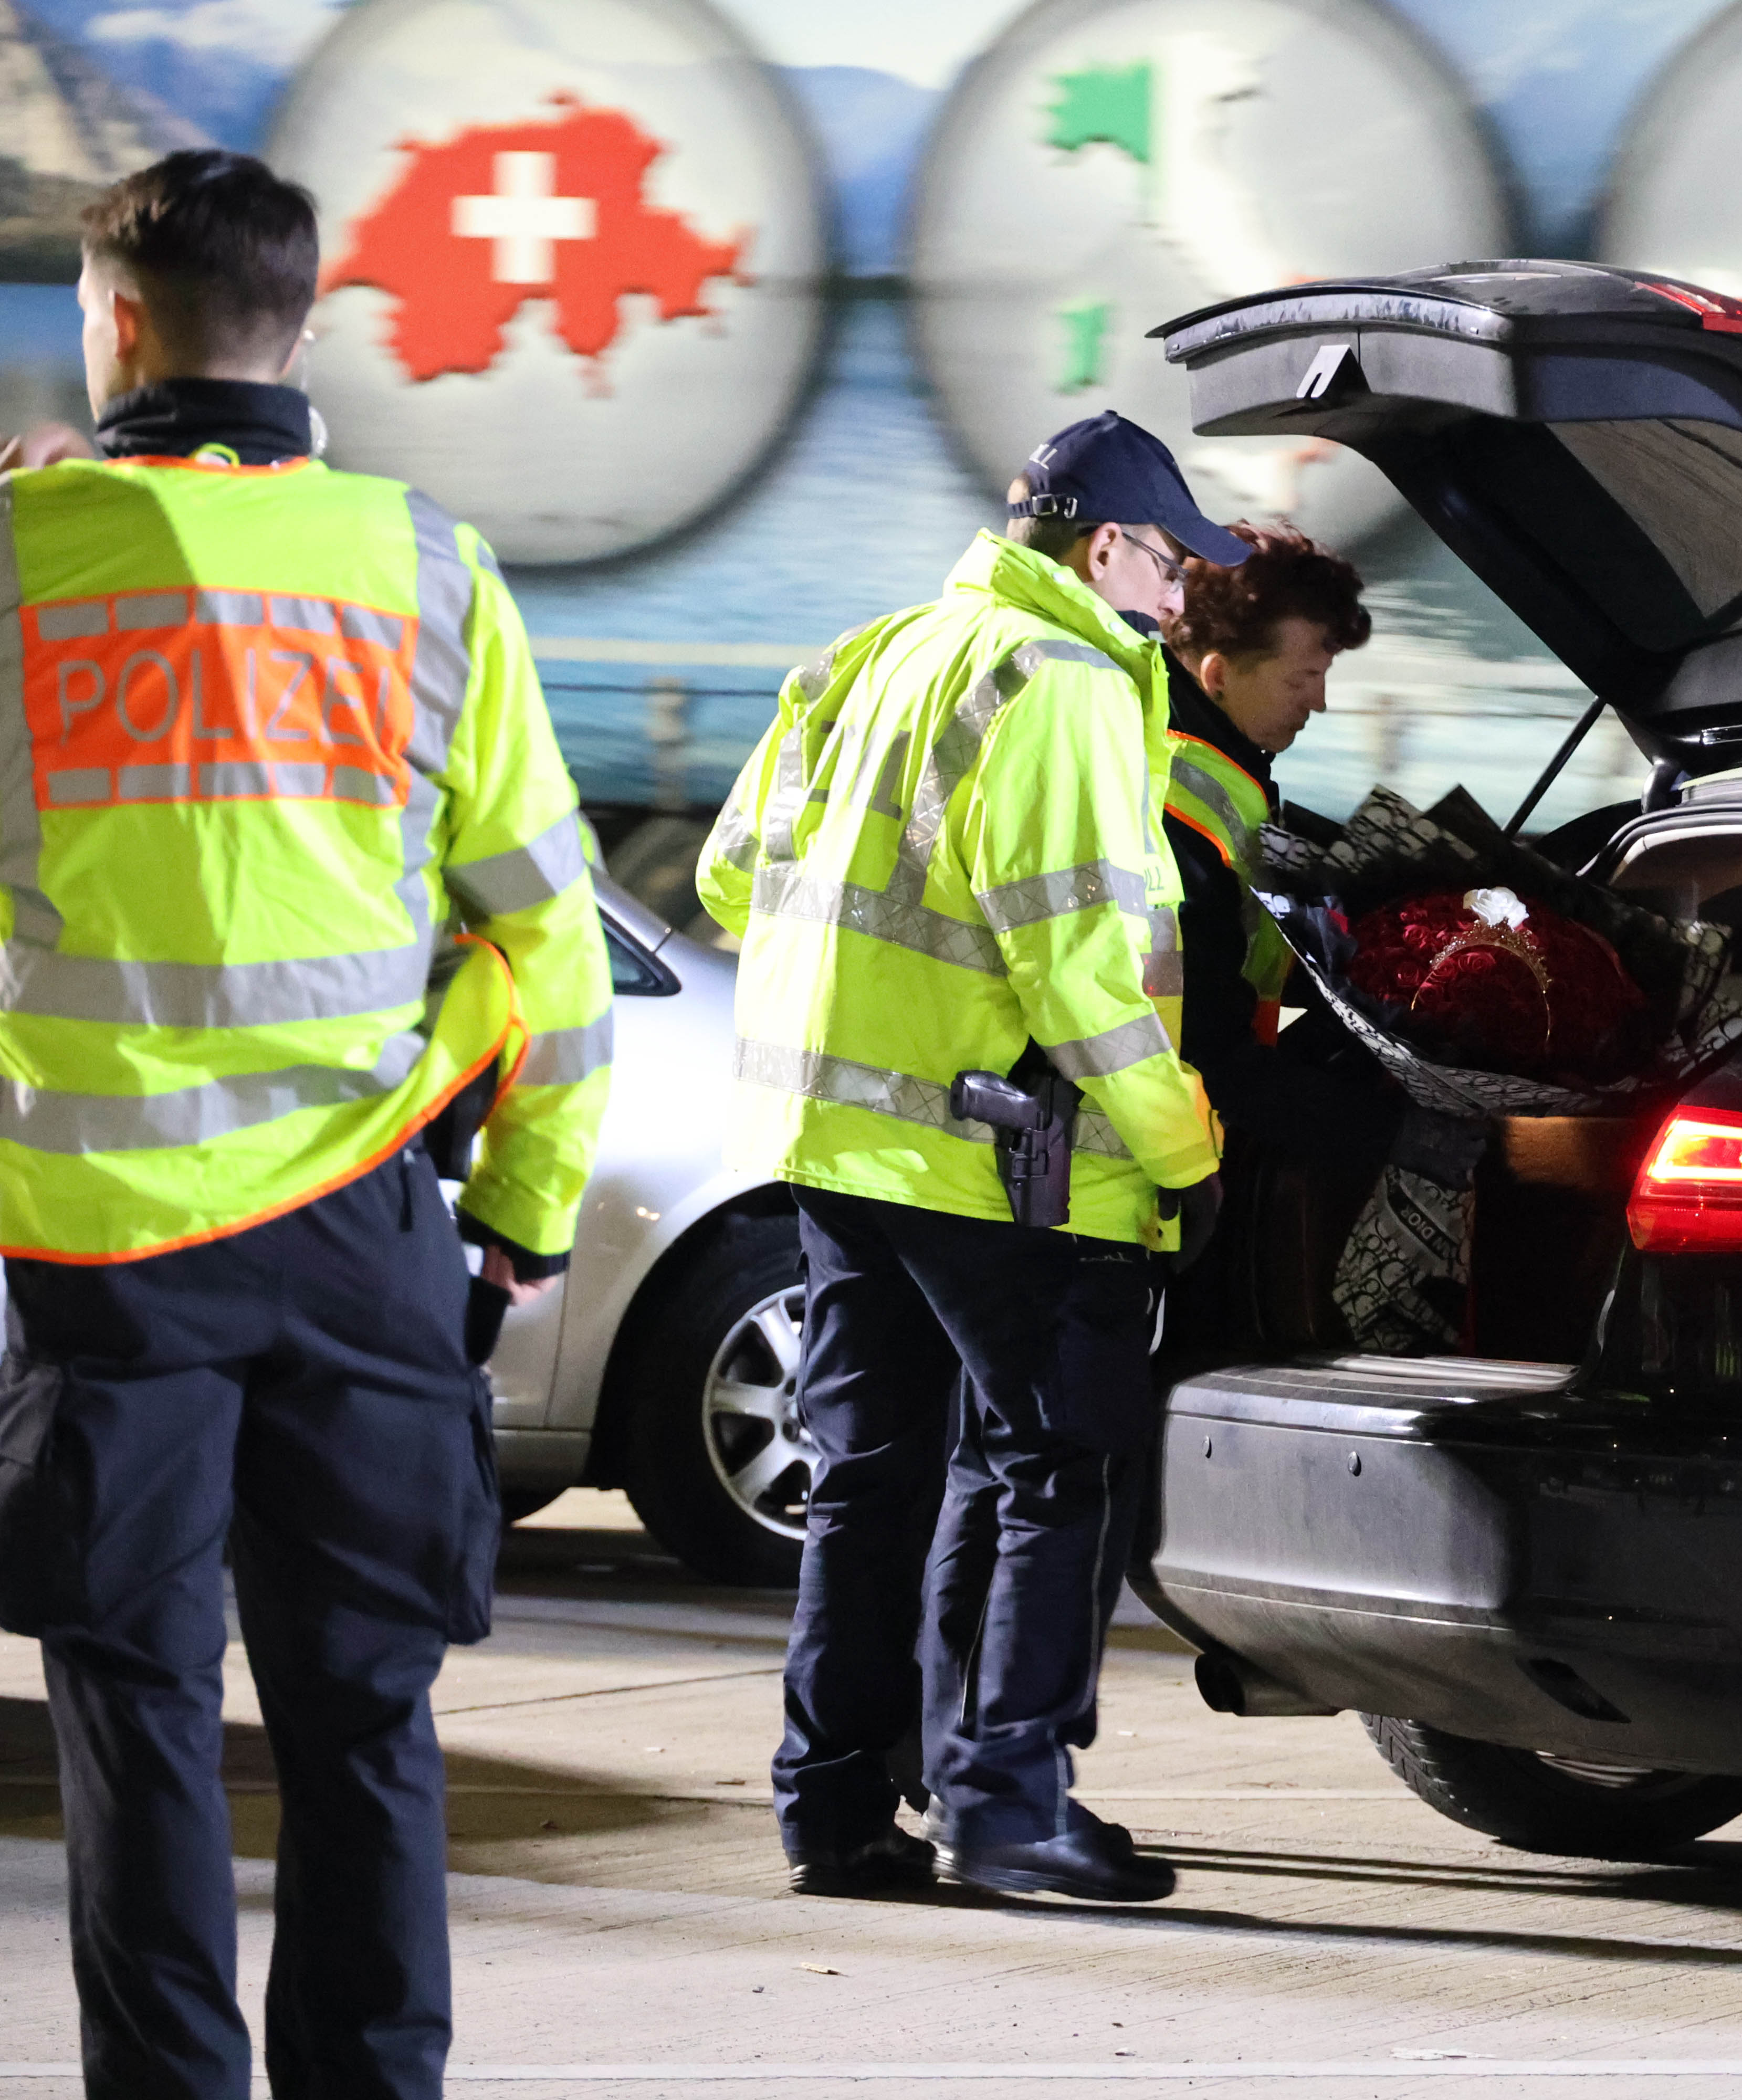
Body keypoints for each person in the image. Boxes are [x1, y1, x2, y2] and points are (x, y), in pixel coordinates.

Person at [0, 152, 612, 2098]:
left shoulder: (21, 560)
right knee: (365, 1714)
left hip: (101, 1245)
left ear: (115, 324)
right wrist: (521, 1217)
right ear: (306, 327)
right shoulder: (424, 565)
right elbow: (550, 942)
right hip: (359, 1228)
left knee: (138, 1710)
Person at [698, 410, 1236, 1907]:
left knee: (869, 1479)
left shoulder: (866, 654)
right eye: (1174, 565)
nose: (1181, 597)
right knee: (1052, 1463)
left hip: (838, 1140)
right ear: (1105, 545)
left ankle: (835, 1810)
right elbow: (1076, 966)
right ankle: (1007, 1804)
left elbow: (732, 878)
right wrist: (1180, 1143)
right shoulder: (1061, 679)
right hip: (993, 1156)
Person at [1160, 522, 1399, 1174]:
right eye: (1302, 680)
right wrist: (1391, 1139)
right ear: (1218, 674)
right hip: (1155, 1156)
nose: (1319, 702)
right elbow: (1207, 1050)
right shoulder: (1176, 811)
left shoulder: (1212, 763)